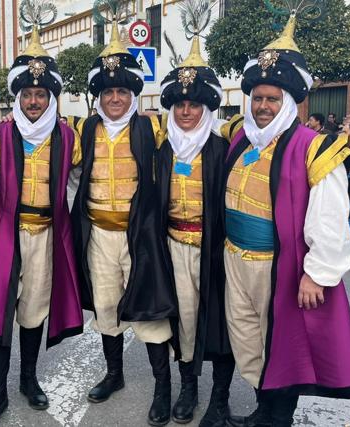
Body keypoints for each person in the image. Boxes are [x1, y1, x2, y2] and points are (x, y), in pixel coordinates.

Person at [222, 14, 350, 427]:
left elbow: (330, 219)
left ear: (290, 101)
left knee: (280, 346)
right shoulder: (240, 139)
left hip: (279, 265)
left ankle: (276, 419)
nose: (263, 106)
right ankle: (262, 410)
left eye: (273, 99)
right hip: (234, 258)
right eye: (258, 98)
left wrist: (317, 274)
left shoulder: (314, 148)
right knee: (248, 339)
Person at [70, 21, 176, 426]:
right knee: (106, 308)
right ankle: (113, 374)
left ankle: (162, 388)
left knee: (150, 313)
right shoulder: (85, 129)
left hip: (141, 237)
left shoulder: (153, 128)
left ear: (133, 95)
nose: (115, 98)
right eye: (108, 92)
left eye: (122, 92)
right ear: (99, 96)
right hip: (98, 233)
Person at [0, 22, 83, 427]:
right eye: (28, 95)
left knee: (34, 311)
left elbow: (74, 188)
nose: (35, 101)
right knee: (1, 313)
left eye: (41, 94)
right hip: (7, 234)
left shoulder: (67, 137)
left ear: (51, 96)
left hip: (47, 235)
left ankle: (28, 378)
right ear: (17, 98)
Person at [155, 32, 236, 426]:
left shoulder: (222, 147)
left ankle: (220, 398)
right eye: (181, 104)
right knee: (184, 320)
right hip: (174, 245)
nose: (186, 112)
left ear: (206, 109)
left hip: (215, 250)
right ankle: (188, 387)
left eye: (195, 105)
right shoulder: (162, 148)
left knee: (221, 320)